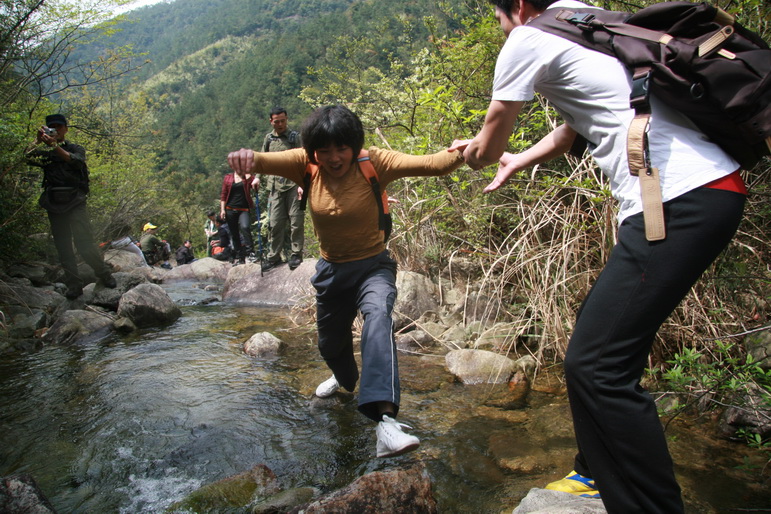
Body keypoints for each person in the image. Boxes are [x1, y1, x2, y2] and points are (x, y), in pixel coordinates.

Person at [459, 0, 746, 512]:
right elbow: (578, 123)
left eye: (498, 17)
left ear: (518, 7)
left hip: (676, 199)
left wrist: (473, 153)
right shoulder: (583, 18)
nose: (501, 28)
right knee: (610, 349)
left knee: (594, 365)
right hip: (707, 188)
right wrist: (520, 160)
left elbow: (490, 132)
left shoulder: (527, 38)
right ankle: (594, 470)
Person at [228, 105, 466, 458]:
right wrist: (245, 157)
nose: (334, 157)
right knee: (330, 345)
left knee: (379, 319)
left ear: (355, 145)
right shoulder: (304, 163)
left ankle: (384, 420)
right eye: (324, 150)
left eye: (342, 148)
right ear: (313, 151)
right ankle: (345, 379)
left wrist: (466, 150)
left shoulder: (376, 162)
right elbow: (261, 161)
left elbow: (433, 164)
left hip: (373, 267)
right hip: (331, 271)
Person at [25, 113, 117, 299]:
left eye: (59, 127)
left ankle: (104, 274)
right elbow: (26, 157)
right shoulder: (47, 155)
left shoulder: (75, 148)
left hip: (75, 201)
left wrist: (55, 146)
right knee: (63, 246)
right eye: (52, 128)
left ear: (66, 129)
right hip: (54, 203)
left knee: (84, 242)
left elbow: (75, 160)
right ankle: (74, 285)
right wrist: (36, 141)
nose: (56, 130)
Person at [256, 106, 305, 271]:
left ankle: (296, 254)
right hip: (275, 186)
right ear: (271, 121)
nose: (280, 124)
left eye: (283, 120)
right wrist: (256, 178)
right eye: (277, 121)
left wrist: (303, 185)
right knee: (275, 223)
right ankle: (273, 256)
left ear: (287, 119)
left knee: (296, 221)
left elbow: (305, 161)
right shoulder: (269, 139)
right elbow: (262, 160)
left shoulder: (295, 137)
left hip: (295, 185)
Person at [220, 160, 256, 266]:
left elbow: (254, 185)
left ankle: (250, 253)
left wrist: (248, 174)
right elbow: (223, 195)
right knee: (234, 234)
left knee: (245, 227)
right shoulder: (228, 178)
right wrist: (222, 210)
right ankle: (240, 257)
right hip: (230, 209)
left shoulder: (247, 178)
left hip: (243, 209)